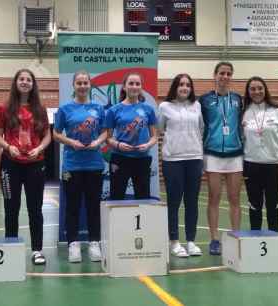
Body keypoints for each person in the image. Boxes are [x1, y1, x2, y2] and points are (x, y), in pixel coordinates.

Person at [0, 69, 51, 265]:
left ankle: (37, 250)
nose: (25, 82)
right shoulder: (4, 108)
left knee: (35, 209)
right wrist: (9, 147)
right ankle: (11, 248)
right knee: (11, 208)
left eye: (28, 79)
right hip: (10, 165)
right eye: (21, 79)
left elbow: (47, 135)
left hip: (35, 164)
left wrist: (40, 148)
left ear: (33, 84)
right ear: (15, 82)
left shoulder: (40, 109)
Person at [53, 70, 107, 263]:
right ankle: (73, 244)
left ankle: (94, 243)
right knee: (72, 207)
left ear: (90, 85)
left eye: (85, 83)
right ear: (74, 86)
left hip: (94, 164)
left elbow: (105, 133)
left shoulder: (99, 109)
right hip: (72, 166)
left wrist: (97, 142)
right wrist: (71, 142)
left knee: (93, 206)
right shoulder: (65, 109)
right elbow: (56, 134)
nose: (83, 86)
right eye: (79, 83)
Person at [199, 62, 243, 255]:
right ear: (215, 75)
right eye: (222, 73)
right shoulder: (205, 100)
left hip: (235, 154)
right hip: (213, 154)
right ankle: (214, 239)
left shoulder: (238, 99)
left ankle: (235, 235)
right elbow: (199, 127)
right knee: (214, 198)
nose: (225, 77)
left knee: (235, 198)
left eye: (228, 73)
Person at [158, 73, 203, 257]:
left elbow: (201, 128)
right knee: (174, 202)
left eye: (188, 85)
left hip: (194, 158)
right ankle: (174, 241)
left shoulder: (197, 106)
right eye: (181, 84)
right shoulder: (164, 107)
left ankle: (191, 241)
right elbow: (160, 129)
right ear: (175, 87)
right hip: (173, 160)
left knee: (192, 202)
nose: (184, 88)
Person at [242, 76, 278, 232]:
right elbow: (241, 139)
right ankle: (255, 240)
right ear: (248, 92)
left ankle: (274, 240)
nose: (257, 92)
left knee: (273, 205)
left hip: (273, 166)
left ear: (265, 90)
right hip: (251, 165)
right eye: (253, 89)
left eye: (260, 88)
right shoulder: (244, 112)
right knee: (254, 206)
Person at [106, 72, 157, 200]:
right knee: (116, 197)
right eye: (131, 83)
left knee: (143, 198)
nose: (134, 86)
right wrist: (118, 144)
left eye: (137, 84)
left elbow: (154, 137)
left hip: (142, 160)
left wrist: (147, 145)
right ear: (124, 87)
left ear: (141, 87)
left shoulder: (148, 110)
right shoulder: (114, 110)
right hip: (119, 159)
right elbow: (107, 138)